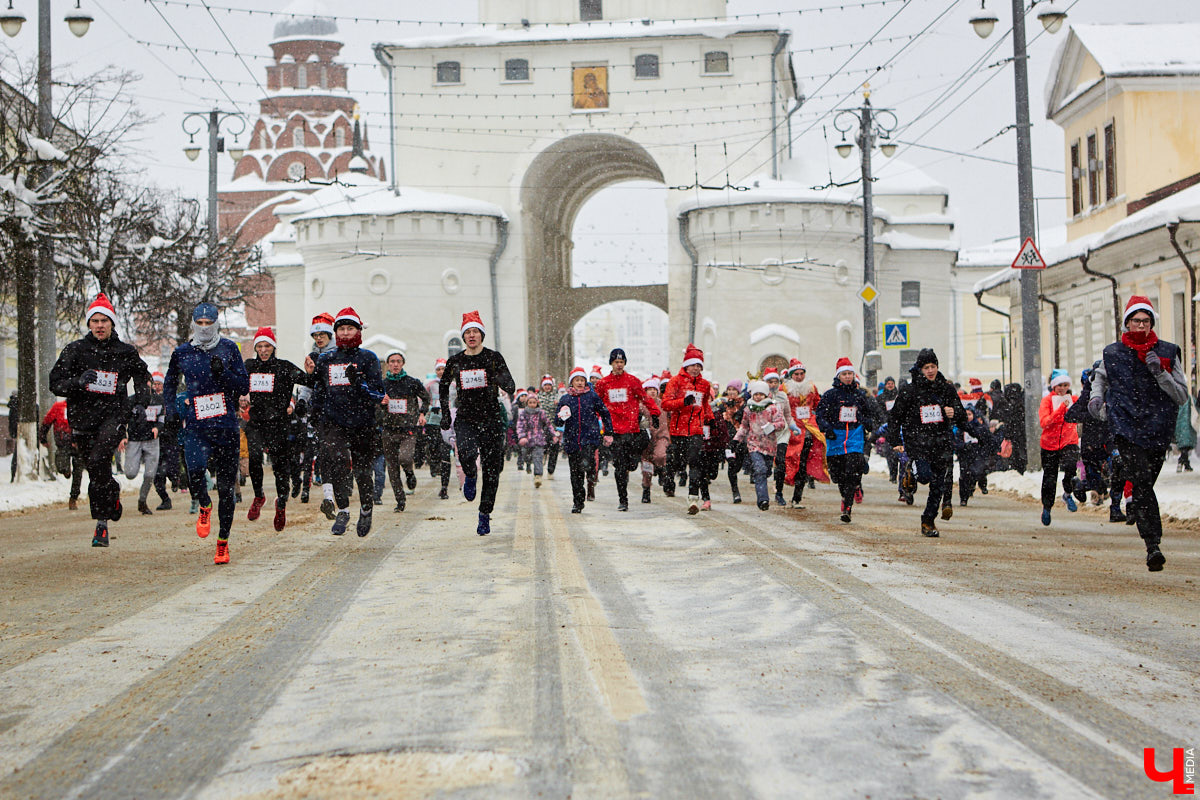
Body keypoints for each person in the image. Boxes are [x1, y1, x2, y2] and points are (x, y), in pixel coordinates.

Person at [1089, 296, 1189, 572]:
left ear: (1152, 323)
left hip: (1157, 428)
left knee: (1146, 484)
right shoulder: (1112, 353)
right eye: (1136, 320)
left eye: (1146, 321)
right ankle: (1153, 545)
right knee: (1142, 482)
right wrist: (1096, 400)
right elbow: (1100, 379)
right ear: (1127, 323)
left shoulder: (1168, 352)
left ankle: (1150, 536)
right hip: (1125, 426)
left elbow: (1181, 396)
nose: (1141, 326)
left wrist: (1160, 373)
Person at [48, 293, 152, 548]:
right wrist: (78, 382)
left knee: (98, 460)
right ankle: (112, 494)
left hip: (113, 416)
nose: (99, 325)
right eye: (94, 321)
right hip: (83, 419)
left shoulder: (124, 352)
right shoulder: (75, 350)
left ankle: (101, 525)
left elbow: (143, 377)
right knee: (97, 472)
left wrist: (138, 403)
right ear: (89, 324)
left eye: (104, 320)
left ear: (112, 323)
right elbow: (55, 383)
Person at [162, 302, 249, 563]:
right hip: (197, 425)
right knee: (195, 469)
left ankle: (223, 542)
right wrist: (171, 410)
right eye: (198, 324)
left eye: (208, 323)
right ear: (193, 324)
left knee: (226, 488)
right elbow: (169, 383)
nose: (203, 328)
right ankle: (203, 503)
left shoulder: (229, 348)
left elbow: (243, 385)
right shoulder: (182, 352)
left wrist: (224, 375)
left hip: (225, 426)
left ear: (216, 323)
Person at [439, 311, 516, 536]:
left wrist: (498, 378)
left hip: (491, 418)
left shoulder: (493, 357)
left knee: (492, 471)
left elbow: (510, 384)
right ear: (464, 337)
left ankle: (484, 513)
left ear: (481, 335)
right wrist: (445, 414)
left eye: (475, 332)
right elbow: (444, 387)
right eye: (468, 332)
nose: (472, 336)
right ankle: (470, 475)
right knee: (465, 452)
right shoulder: (456, 361)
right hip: (466, 418)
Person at [311, 307, 385, 536]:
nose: (345, 333)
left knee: (363, 472)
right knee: (338, 463)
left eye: (349, 328)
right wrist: (315, 415)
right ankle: (343, 509)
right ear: (336, 333)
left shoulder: (368, 358)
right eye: (341, 329)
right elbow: (319, 390)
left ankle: (365, 507)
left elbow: (378, 394)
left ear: (358, 330)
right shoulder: (326, 359)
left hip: (363, 423)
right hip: (335, 422)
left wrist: (359, 384)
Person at [887, 348, 965, 537]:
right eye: (926, 367)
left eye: (933, 366)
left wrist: (954, 413)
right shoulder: (910, 391)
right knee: (924, 476)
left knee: (938, 485)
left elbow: (960, 413)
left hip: (941, 442)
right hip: (918, 442)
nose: (930, 371)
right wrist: (895, 439)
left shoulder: (946, 389)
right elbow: (895, 416)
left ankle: (928, 521)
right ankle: (910, 471)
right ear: (920, 368)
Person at [243, 326, 307, 530]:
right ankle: (259, 496)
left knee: (281, 468)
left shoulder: (284, 367)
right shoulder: (249, 366)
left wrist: (313, 371)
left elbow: (308, 380)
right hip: (256, 422)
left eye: (267, 346)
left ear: (273, 347)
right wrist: (240, 397)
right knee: (253, 456)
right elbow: (234, 383)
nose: (263, 350)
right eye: (259, 346)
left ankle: (281, 504)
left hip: (279, 423)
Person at [595, 348, 662, 511]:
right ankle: (622, 500)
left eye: (622, 362)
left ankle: (632, 463)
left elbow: (645, 398)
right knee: (620, 467)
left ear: (625, 363)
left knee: (630, 464)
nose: (619, 365)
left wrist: (654, 412)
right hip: (614, 431)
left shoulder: (632, 381)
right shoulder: (604, 383)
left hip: (631, 429)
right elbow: (596, 403)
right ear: (611, 363)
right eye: (616, 362)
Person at [816, 358, 873, 523]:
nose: (848, 377)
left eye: (850, 373)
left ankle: (848, 507)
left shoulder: (859, 395)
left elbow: (868, 414)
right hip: (836, 437)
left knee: (852, 469)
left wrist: (867, 423)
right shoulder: (830, 395)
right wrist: (827, 428)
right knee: (838, 474)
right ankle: (846, 493)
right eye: (844, 374)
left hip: (855, 436)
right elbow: (820, 415)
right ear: (838, 376)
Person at [661, 344, 714, 515]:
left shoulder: (704, 385)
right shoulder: (675, 382)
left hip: (696, 430)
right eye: (693, 365)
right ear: (686, 365)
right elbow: (666, 404)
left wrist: (710, 420)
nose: (696, 369)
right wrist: (683, 402)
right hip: (678, 430)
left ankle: (693, 499)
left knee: (695, 462)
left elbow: (705, 404)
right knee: (677, 463)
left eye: (699, 366)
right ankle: (669, 481)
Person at [556, 367, 613, 513]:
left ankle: (592, 472)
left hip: (589, 438)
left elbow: (605, 413)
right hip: (572, 441)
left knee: (587, 464)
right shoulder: (565, 399)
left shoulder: (592, 396)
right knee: (575, 474)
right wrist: (561, 416)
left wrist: (608, 431)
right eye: (577, 380)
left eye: (582, 380)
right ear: (572, 383)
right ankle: (578, 501)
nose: (580, 383)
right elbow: (558, 422)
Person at [379, 350, 431, 512]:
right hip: (388, 429)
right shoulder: (383, 384)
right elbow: (374, 403)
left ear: (403, 364)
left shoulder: (412, 382)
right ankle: (400, 501)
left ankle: (409, 472)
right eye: (392, 361)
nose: (395, 364)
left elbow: (426, 397)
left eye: (398, 361)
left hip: (408, 428)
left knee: (405, 457)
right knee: (392, 468)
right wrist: (381, 402)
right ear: (388, 364)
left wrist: (422, 412)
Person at [299, 312, 338, 517]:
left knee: (339, 454)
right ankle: (328, 497)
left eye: (323, 334)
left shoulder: (339, 354)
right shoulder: (312, 356)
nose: (319, 338)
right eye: (316, 335)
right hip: (321, 412)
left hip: (341, 411)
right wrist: (302, 401)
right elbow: (309, 383)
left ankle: (342, 487)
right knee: (324, 454)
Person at [1037, 369, 1082, 526]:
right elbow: (1045, 422)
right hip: (1049, 444)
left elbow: (1080, 415)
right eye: (1060, 386)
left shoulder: (1074, 399)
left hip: (1069, 441)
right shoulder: (1047, 401)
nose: (1063, 389)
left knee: (1070, 467)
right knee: (1050, 477)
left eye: (1066, 385)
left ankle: (1067, 493)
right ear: (1054, 387)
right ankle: (1047, 507)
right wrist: (1062, 409)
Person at [732, 380, 785, 510]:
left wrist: (772, 426)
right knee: (759, 470)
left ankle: (763, 489)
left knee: (766, 470)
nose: (758, 397)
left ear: (766, 394)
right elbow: (744, 426)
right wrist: (736, 440)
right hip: (753, 444)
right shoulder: (748, 409)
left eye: (761, 394)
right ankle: (763, 499)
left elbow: (781, 423)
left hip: (769, 446)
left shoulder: (773, 408)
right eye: (756, 394)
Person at [784, 359, 828, 508]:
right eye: (796, 374)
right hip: (792, 430)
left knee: (803, 463)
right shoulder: (785, 389)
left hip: (809, 430)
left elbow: (818, 404)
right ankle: (781, 487)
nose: (799, 376)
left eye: (802, 373)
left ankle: (797, 497)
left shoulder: (811, 388)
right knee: (790, 460)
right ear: (791, 375)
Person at [121, 376, 162, 515]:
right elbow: (123, 420)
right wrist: (122, 437)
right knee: (130, 473)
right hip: (134, 439)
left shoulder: (158, 400)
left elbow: (162, 419)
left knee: (150, 474)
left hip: (152, 440)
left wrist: (158, 428)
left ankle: (142, 501)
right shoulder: (131, 400)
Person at [39, 397, 83, 508]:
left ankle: (73, 498)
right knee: (62, 465)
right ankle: (65, 471)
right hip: (63, 442)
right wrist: (43, 437)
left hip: (79, 443)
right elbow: (47, 421)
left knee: (78, 472)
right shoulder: (58, 407)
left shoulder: (82, 407)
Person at [956, 407, 998, 506]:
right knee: (964, 476)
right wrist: (964, 446)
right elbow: (956, 442)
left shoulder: (980, 428)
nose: (968, 417)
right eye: (966, 414)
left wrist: (986, 449)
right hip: (965, 455)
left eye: (970, 414)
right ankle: (963, 498)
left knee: (977, 471)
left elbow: (989, 441)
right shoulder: (960, 429)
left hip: (978, 455)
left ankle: (977, 485)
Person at [423, 358, 452, 499]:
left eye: (443, 369)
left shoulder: (453, 385)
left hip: (449, 422)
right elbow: (423, 400)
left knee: (446, 452)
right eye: (439, 369)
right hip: (433, 421)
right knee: (433, 447)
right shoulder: (430, 385)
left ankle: (444, 487)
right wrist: (429, 409)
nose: (441, 372)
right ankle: (434, 463)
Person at [639, 377, 671, 503]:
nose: (652, 392)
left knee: (660, 455)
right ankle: (646, 490)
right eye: (649, 389)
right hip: (646, 439)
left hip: (661, 436)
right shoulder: (641, 406)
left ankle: (661, 470)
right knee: (646, 467)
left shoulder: (663, 405)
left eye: (654, 389)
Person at [516, 391, 554, 487]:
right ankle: (528, 464)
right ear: (527, 403)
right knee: (526, 456)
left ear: (537, 403)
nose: (532, 405)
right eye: (530, 402)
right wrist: (521, 437)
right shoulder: (523, 413)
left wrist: (553, 434)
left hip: (539, 439)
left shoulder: (541, 413)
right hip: (526, 440)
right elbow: (520, 426)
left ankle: (538, 476)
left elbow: (548, 424)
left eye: (534, 402)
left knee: (538, 457)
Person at [536, 375, 561, 479]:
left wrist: (558, 405)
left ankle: (551, 471)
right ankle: (539, 469)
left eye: (549, 385)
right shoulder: (538, 396)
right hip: (541, 427)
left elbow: (561, 411)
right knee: (541, 448)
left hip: (553, 427)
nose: (547, 387)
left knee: (554, 449)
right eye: (545, 385)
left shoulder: (556, 396)